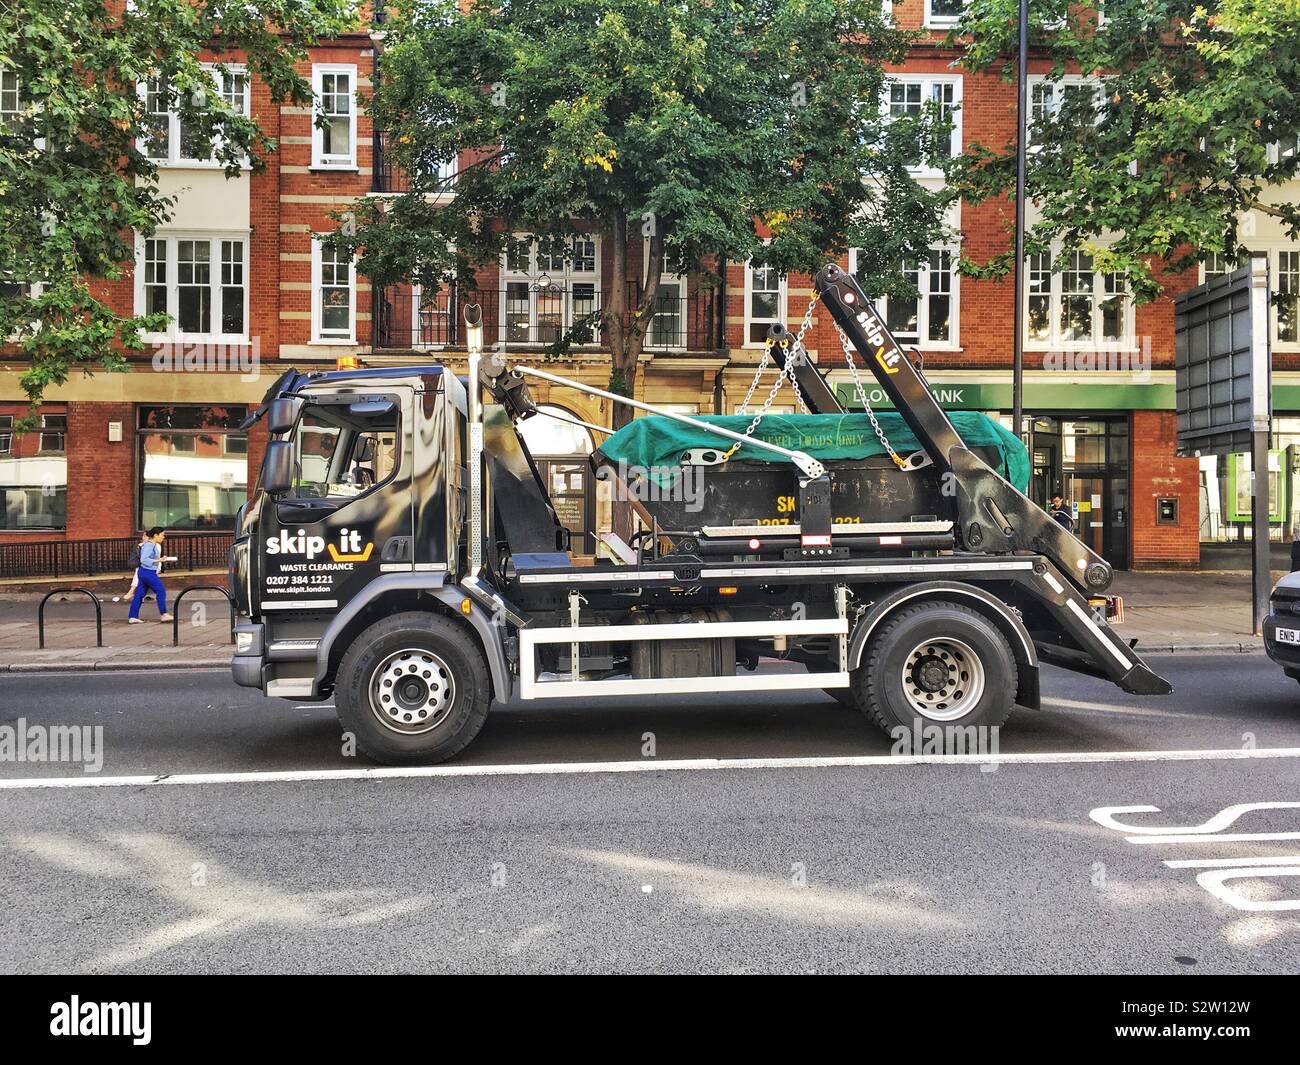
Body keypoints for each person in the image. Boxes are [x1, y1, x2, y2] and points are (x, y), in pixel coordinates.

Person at [128, 527, 175, 624]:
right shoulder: (150, 545)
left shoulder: (151, 545)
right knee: (161, 591)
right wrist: (159, 560)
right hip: (148, 572)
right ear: (155, 535)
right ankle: (164, 614)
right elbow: (144, 560)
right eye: (162, 535)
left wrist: (160, 559)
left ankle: (133, 616)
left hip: (144, 572)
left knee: (139, 594)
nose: (163, 537)